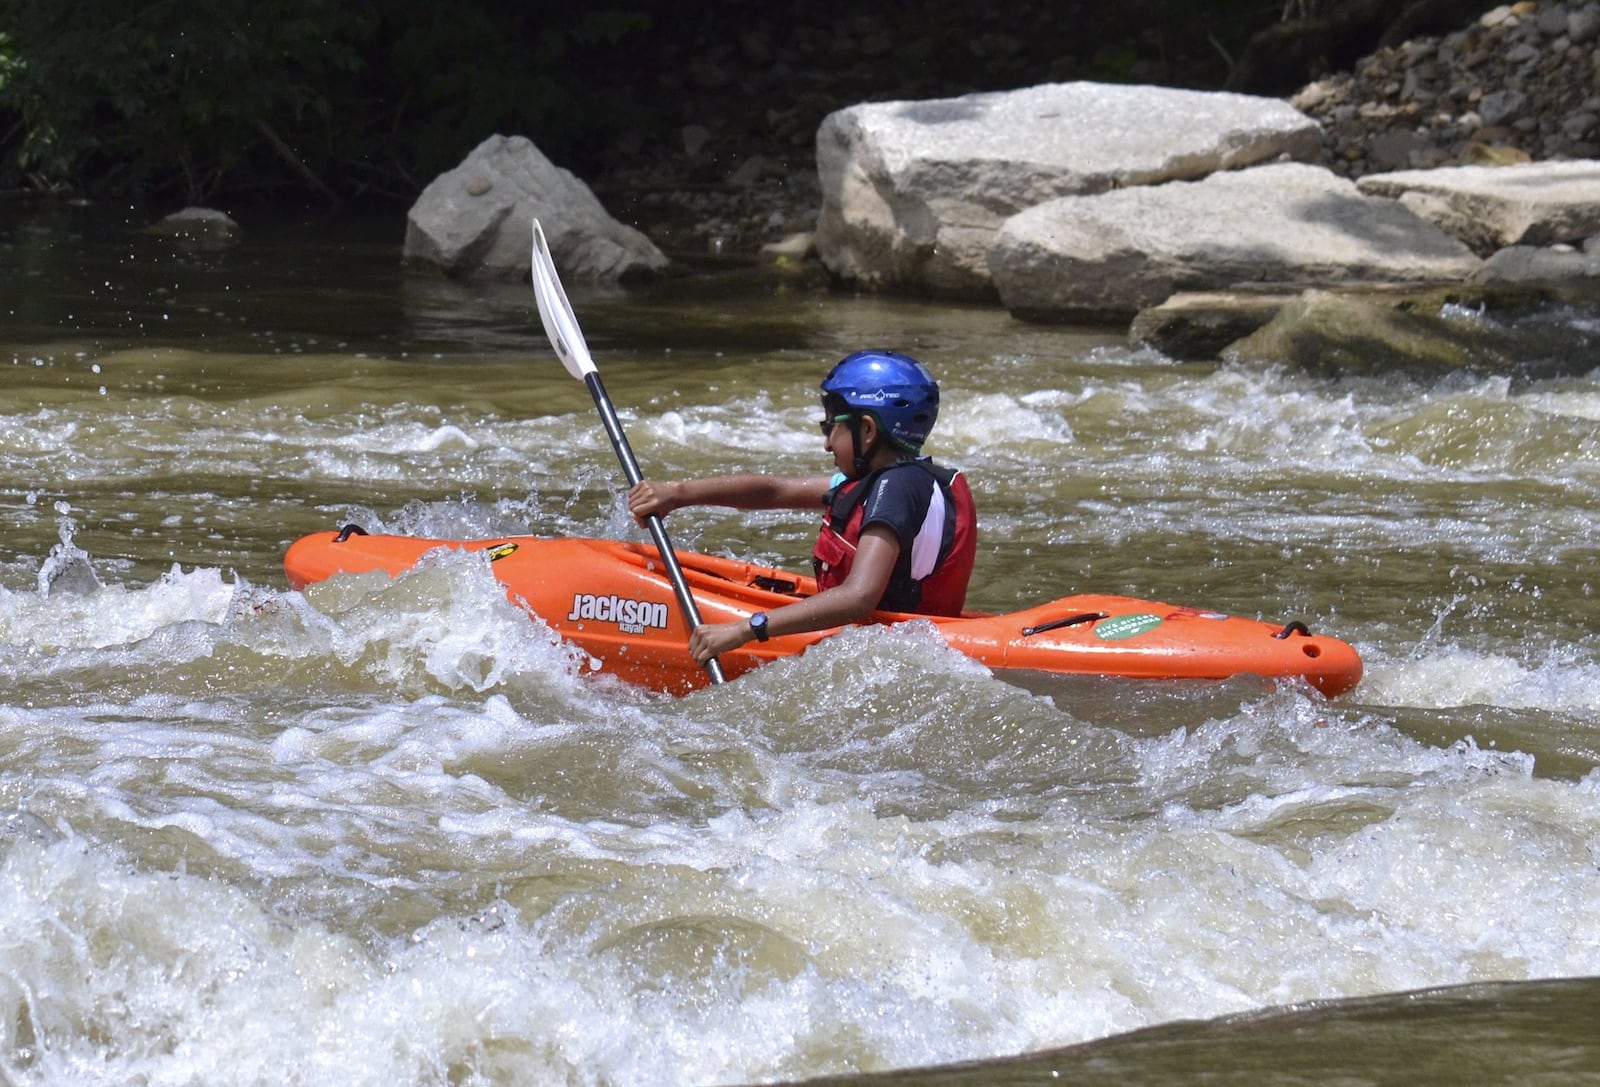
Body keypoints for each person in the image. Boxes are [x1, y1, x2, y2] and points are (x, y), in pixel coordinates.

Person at [627, 349, 977, 665]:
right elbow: (775, 491)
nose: (826, 445)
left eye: (831, 427)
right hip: (901, 646)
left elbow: (858, 597)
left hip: (895, 657)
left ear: (867, 430)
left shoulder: (896, 488)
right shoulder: (894, 482)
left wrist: (747, 629)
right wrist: (677, 494)